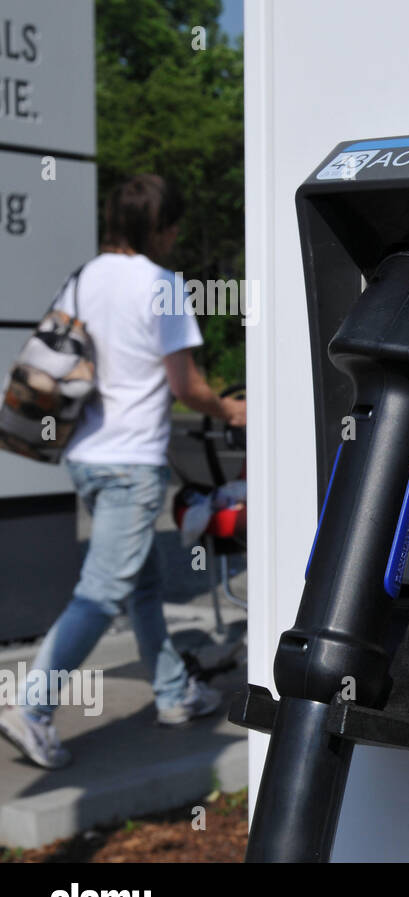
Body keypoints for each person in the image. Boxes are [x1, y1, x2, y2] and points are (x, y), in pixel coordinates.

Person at [0, 174, 246, 769]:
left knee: (143, 585)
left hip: (83, 456)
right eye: (174, 224)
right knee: (102, 592)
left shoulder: (83, 277)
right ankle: (30, 708)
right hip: (130, 463)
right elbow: (185, 387)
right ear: (158, 229)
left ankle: (172, 693)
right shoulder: (162, 286)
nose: (178, 233)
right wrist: (232, 408)